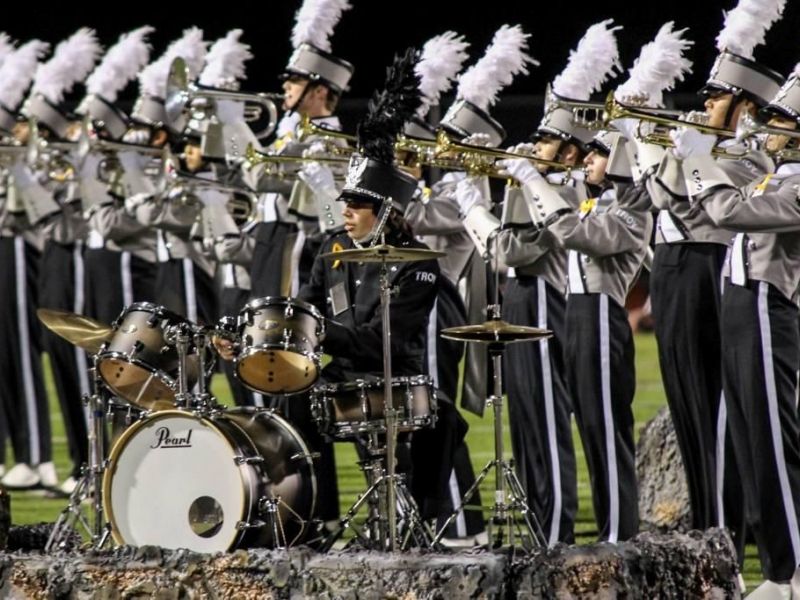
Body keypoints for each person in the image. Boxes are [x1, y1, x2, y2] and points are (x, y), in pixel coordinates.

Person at [672, 68, 800, 598]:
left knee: (773, 445)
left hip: (770, 307)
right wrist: (709, 149)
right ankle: (777, 570)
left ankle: (794, 571)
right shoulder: (776, 173)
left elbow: (728, 210)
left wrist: (697, 155)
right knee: (750, 447)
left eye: (780, 120)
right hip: (742, 304)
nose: (768, 126)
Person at [5, 29, 102, 492]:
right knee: (61, 361)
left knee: (79, 362)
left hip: (75, 257)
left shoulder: (83, 157)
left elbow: (65, 223)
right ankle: (81, 467)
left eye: (45, 130)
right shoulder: (53, 159)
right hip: (56, 259)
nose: (38, 138)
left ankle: (93, 466)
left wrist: (27, 179)